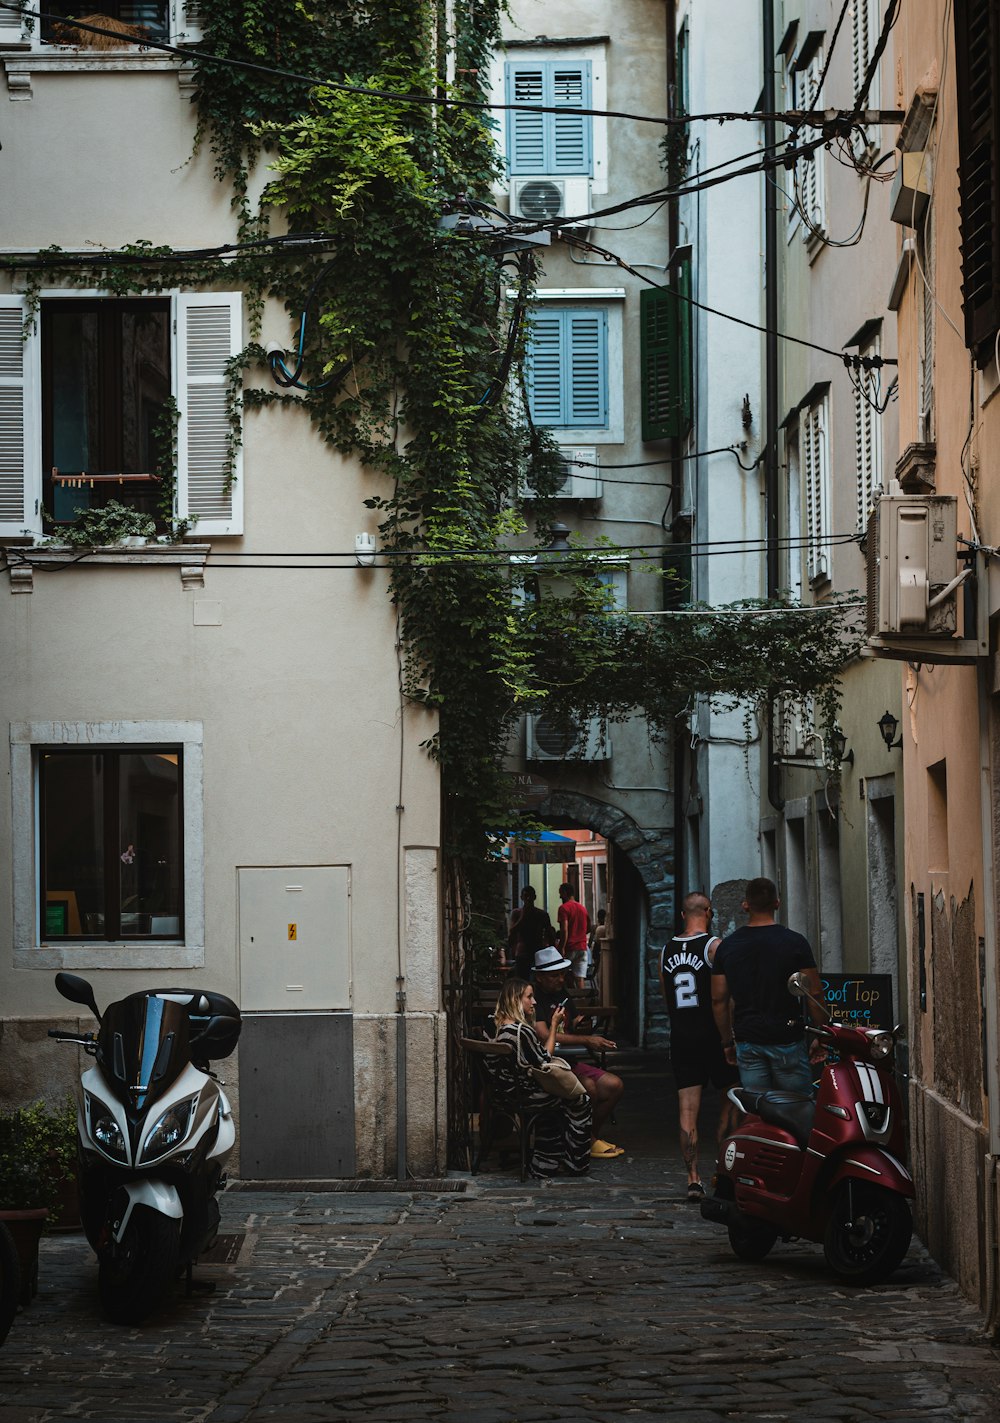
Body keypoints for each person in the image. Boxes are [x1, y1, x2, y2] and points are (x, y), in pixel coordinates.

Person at [711, 877, 827, 1095]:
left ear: (746, 905)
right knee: (797, 1108)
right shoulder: (795, 942)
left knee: (758, 1109)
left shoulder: (727, 947)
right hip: (787, 1036)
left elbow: (718, 1000)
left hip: (748, 1038)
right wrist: (821, 1035)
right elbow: (814, 992)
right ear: (777, 903)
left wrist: (727, 1041)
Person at [659, 891, 739, 1201]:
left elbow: (668, 999)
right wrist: (728, 1038)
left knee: (687, 1111)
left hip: (682, 1037)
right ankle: (722, 1171)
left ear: (682, 915)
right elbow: (724, 997)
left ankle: (693, 1179)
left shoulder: (665, 951)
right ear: (709, 911)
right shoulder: (714, 947)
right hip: (714, 1037)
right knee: (730, 1103)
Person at [490, 977, 592, 1180]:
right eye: (529, 997)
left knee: (555, 1105)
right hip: (525, 1096)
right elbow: (544, 1059)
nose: (534, 1002)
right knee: (581, 1100)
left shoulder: (501, 1027)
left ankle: (546, 1162)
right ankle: (576, 1161)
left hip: (506, 1093)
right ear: (516, 1000)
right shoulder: (521, 1032)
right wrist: (554, 1025)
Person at [531, 945, 624, 1159]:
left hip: (569, 1061)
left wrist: (580, 1024)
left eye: (562, 975)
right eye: (555, 976)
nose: (561, 980)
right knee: (588, 1087)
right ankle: (584, 1141)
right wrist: (587, 1040)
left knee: (614, 1085)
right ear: (540, 978)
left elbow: (571, 1023)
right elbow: (545, 1035)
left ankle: (587, 1137)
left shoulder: (561, 993)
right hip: (549, 1066)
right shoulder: (534, 998)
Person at [507, 885, 554, 980]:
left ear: (534, 897)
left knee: (537, 980)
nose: (528, 899)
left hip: (537, 951)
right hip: (523, 951)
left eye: (530, 896)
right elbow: (512, 930)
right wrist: (523, 916)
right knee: (521, 981)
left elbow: (550, 933)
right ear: (522, 898)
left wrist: (550, 950)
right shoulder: (517, 913)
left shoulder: (542, 914)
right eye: (526, 896)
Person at [556, 882, 590, 990]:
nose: (560, 896)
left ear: (565, 893)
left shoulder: (563, 908)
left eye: (561, 893)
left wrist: (561, 947)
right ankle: (581, 1002)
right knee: (580, 978)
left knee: (562, 976)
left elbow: (564, 929)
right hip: (582, 947)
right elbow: (588, 928)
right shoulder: (582, 908)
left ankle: (567, 1001)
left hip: (570, 947)